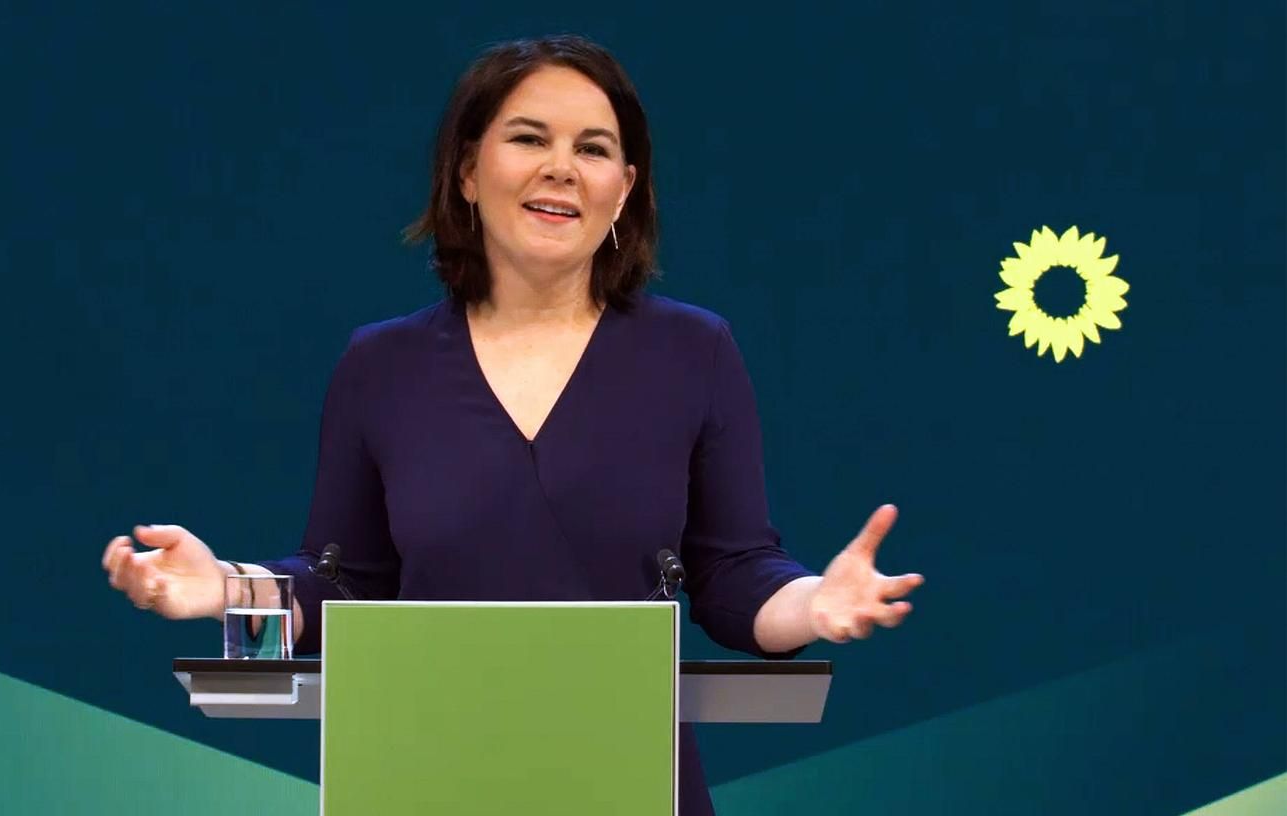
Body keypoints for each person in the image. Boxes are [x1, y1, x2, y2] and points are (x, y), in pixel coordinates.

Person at [100, 34, 924, 815]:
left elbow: (734, 574)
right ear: (466, 171)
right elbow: (345, 583)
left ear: (625, 188)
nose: (561, 169)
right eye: (528, 139)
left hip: (629, 785)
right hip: (423, 777)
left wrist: (817, 604)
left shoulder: (694, 351)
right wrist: (224, 591)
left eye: (593, 149)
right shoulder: (379, 366)